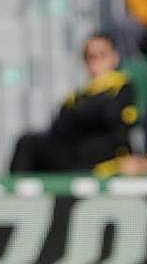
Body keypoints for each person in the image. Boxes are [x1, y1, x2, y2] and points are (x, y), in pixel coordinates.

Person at [9, 34, 138, 175]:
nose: (96, 61)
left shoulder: (122, 86)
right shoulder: (80, 94)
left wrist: (80, 112)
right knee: (28, 143)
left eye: (102, 55)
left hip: (102, 160)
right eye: (90, 56)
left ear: (115, 57)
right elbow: (60, 124)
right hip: (74, 155)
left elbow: (111, 118)